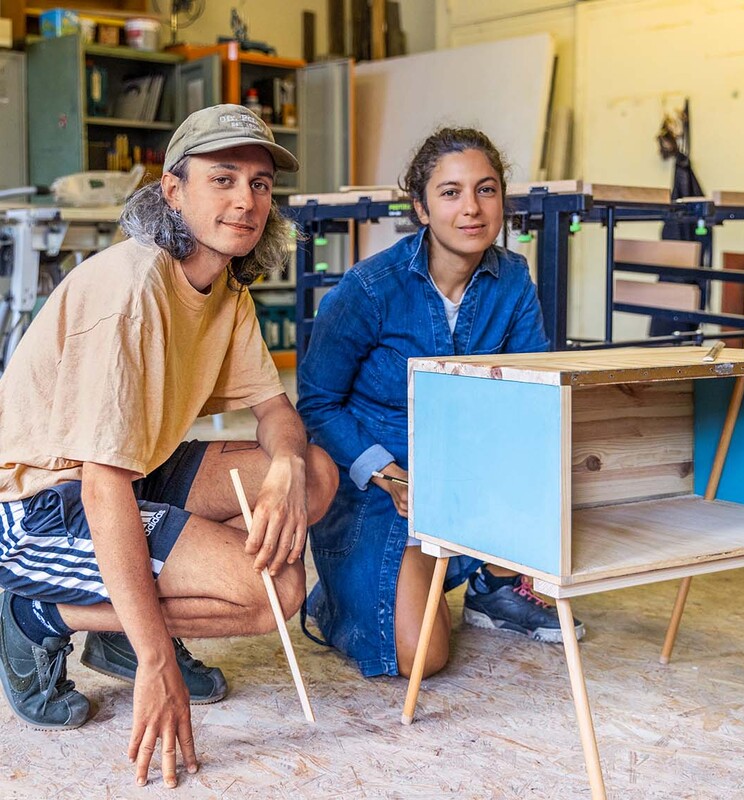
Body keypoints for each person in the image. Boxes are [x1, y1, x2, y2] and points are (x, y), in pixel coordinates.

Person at [0, 104, 337, 787]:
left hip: (128, 470)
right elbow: (101, 487)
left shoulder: (226, 288)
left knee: (316, 474)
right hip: (38, 501)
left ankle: (121, 632)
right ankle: (34, 614)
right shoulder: (131, 292)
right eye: (223, 179)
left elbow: (276, 410)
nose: (246, 200)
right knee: (273, 590)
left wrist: (285, 467)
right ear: (173, 190)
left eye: (260, 184)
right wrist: (160, 662)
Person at [297, 127, 585, 681]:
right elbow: (317, 402)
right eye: (450, 192)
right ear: (421, 208)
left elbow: (530, 391)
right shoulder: (370, 288)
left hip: (462, 475)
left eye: (486, 189)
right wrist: (390, 475)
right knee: (420, 658)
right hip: (378, 487)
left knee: (549, 446)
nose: (471, 208)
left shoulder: (513, 280)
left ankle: (494, 585)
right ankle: (340, 599)